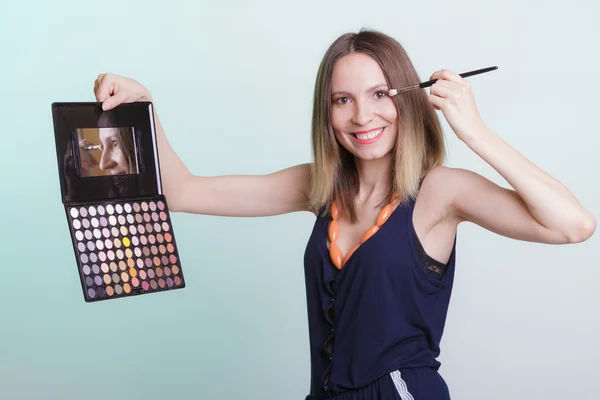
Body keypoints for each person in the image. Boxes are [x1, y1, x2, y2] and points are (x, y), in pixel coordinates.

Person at [93, 29, 595, 400]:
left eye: (379, 95)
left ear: (409, 97)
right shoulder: (321, 186)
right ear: (327, 112)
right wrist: (143, 108)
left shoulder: (440, 192)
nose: (362, 116)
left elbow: (572, 224)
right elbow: (182, 193)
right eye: (342, 100)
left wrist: (473, 131)